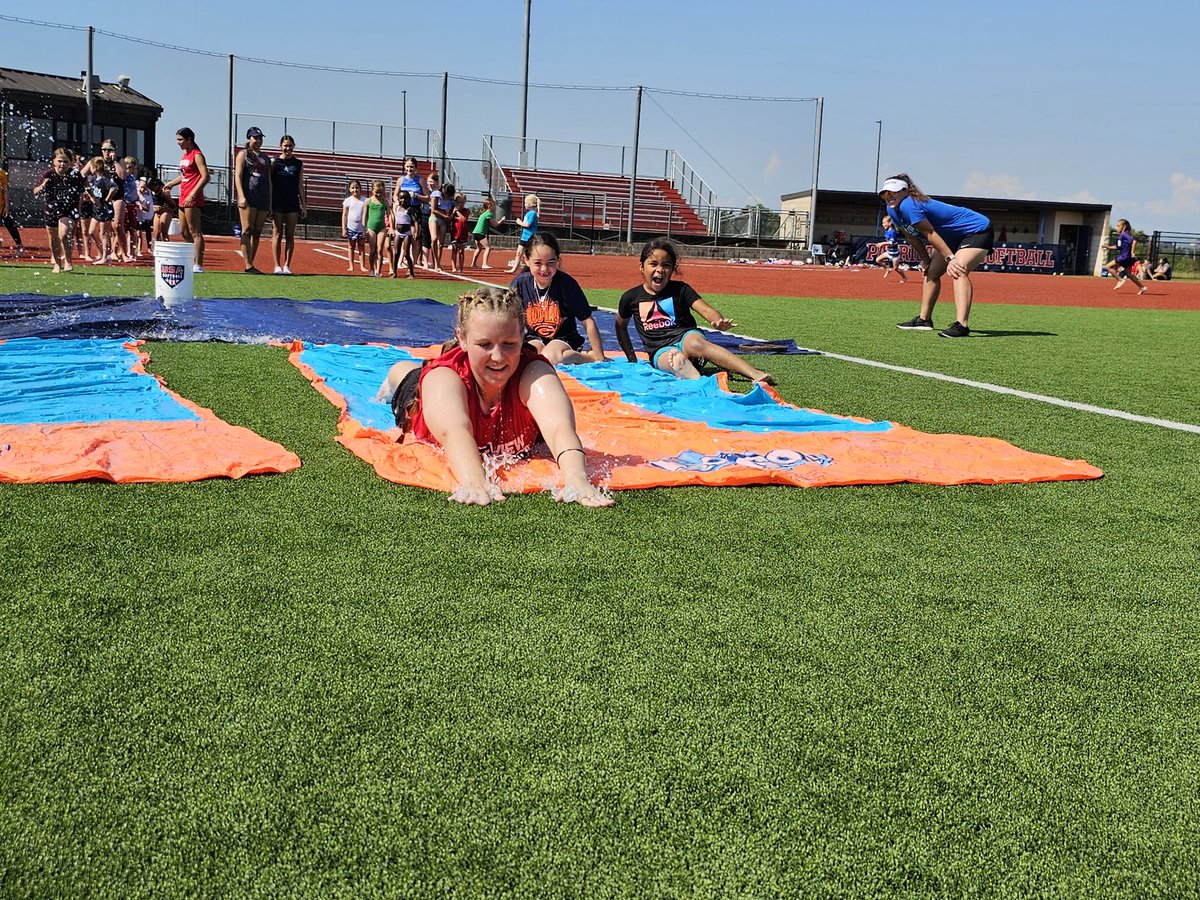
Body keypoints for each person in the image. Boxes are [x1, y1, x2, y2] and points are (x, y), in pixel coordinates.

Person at [375, 286, 613, 508]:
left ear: (523, 337)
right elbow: (454, 431)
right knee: (408, 375)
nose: (498, 356)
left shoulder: (534, 373)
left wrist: (577, 480)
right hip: (417, 394)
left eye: (509, 344)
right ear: (462, 339)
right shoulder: (443, 379)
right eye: (485, 344)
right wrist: (474, 480)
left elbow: (559, 428)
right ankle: (395, 374)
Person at [615, 236, 774, 384]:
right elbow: (620, 326)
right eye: (653, 264)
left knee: (697, 344)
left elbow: (706, 310)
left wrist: (717, 320)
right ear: (642, 267)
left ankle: (755, 374)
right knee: (672, 360)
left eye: (666, 265)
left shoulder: (681, 289)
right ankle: (696, 380)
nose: (660, 269)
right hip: (660, 349)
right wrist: (631, 357)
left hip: (686, 337)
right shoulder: (630, 297)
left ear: (673, 269)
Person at [880, 173, 994, 338]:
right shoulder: (892, 210)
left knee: (958, 270)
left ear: (906, 191)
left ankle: (962, 325)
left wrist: (951, 259)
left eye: (894, 191)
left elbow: (929, 232)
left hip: (976, 230)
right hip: (950, 238)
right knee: (931, 272)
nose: (889, 196)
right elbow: (911, 237)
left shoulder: (908, 205)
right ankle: (924, 320)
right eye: (885, 193)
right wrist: (926, 261)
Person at [511, 231, 605, 365]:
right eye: (538, 263)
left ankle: (588, 357)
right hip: (534, 338)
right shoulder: (520, 284)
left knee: (549, 358)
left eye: (550, 263)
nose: (544, 269)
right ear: (526, 260)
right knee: (526, 357)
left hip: (563, 339)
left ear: (558, 260)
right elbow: (508, 318)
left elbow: (587, 321)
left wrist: (599, 357)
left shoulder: (567, 285)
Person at [161, 127, 210, 273]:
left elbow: (205, 176)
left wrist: (193, 193)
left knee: (195, 231)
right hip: (183, 196)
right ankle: (191, 259)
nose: (178, 143)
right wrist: (171, 183)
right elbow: (184, 176)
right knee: (184, 231)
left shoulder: (197, 155)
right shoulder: (185, 156)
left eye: (180, 140)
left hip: (192, 198)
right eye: (177, 140)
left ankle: (198, 264)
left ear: (189, 139)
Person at [31, 148, 86, 273]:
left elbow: (83, 189)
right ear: (54, 162)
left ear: (71, 162)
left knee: (64, 234)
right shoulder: (49, 175)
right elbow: (35, 191)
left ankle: (68, 260)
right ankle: (57, 263)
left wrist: (82, 205)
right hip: (51, 210)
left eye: (66, 162)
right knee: (54, 238)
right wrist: (42, 187)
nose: (63, 164)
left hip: (68, 210)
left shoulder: (75, 175)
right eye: (60, 161)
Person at [233, 126, 272, 273]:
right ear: (249, 138)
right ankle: (247, 263)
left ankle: (251, 263)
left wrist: (269, 202)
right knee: (247, 229)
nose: (258, 140)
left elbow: (268, 180)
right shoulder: (243, 154)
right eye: (255, 137)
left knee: (257, 231)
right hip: (248, 197)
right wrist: (241, 196)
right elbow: (237, 176)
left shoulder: (266, 158)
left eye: (260, 137)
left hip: (262, 197)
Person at [270, 134, 305, 275]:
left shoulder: (298, 164)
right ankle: (277, 265)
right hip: (278, 202)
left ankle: (287, 265)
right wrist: (269, 204)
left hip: (292, 203)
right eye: (285, 145)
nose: (288, 148)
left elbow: (300, 185)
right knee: (277, 234)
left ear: (294, 146)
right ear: (280, 146)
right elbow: (270, 183)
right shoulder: (274, 162)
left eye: (290, 145)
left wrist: (304, 205)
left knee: (290, 235)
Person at [86, 155, 120, 264]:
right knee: (91, 232)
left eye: (91, 166)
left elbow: (114, 187)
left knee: (104, 233)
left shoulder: (104, 179)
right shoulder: (94, 179)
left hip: (104, 208)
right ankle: (102, 252)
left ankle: (105, 256)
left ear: (95, 167)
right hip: (96, 208)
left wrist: (107, 198)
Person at [1103, 219, 1149, 294]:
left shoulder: (1124, 234)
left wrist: (1133, 252)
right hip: (1128, 258)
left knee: (1108, 267)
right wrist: (1108, 247)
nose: (1116, 228)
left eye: (1118, 226)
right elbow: (1118, 247)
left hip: (1124, 257)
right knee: (1129, 274)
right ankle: (1142, 287)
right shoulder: (1122, 236)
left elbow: (1134, 241)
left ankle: (1120, 280)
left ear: (1124, 227)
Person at [506, 194, 539, 273]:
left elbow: (528, 225)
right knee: (519, 253)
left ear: (530, 204)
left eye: (526, 203)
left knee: (530, 254)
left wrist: (519, 222)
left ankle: (531, 268)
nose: (524, 205)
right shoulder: (529, 213)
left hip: (530, 237)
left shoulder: (533, 213)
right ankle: (514, 269)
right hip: (524, 237)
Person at [363, 179, 390, 277]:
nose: (379, 194)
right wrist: (364, 228)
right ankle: (372, 269)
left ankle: (378, 270)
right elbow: (364, 216)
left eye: (381, 192)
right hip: (371, 227)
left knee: (379, 249)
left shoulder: (384, 201)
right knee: (372, 250)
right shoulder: (368, 201)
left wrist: (390, 226)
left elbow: (389, 214)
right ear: (372, 190)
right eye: (376, 192)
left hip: (382, 227)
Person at [470, 196, 506, 269]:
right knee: (488, 248)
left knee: (479, 248)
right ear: (489, 206)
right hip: (480, 233)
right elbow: (494, 225)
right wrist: (501, 221)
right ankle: (484, 264)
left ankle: (473, 263)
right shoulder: (489, 213)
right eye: (493, 205)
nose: (495, 207)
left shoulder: (484, 213)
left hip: (475, 232)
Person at [341, 179, 368, 272]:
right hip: (351, 227)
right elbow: (344, 215)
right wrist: (344, 228)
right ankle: (351, 265)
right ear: (349, 189)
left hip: (361, 227)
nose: (355, 190)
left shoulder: (365, 200)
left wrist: (365, 228)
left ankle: (362, 266)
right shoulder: (347, 201)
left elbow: (366, 214)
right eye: (352, 188)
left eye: (357, 188)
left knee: (361, 246)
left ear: (360, 188)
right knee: (351, 246)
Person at [1, 158, 26, 256]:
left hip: (1, 205)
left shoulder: (2, 174)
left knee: (9, 224)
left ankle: (19, 245)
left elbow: (5, 190)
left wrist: (7, 205)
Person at [390, 189, 416, 279]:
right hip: (398, 232)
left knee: (406, 253)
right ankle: (394, 272)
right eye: (401, 198)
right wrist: (392, 228)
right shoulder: (397, 208)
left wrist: (415, 231)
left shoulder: (409, 209)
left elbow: (415, 221)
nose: (403, 200)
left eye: (405, 198)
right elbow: (393, 218)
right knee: (396, 252)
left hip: (407, 233)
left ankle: (411, 273)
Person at [874, 214, 909, 283]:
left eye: (884, 223)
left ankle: (904, 277)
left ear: (890, 223)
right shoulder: (886, 231)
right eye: (882, 223)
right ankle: (887, 269)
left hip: (895, 254)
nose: (883, 224)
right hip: (888, 252)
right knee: (878, 260)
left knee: (896, 268)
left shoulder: (892, 232)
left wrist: (882, 244)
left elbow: (891, 243)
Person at [450, 192, 470, 273]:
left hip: (463, 234)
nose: (460, 204)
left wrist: (457, 212)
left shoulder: (466, 211)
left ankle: (461, 268)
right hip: (455, 233)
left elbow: (464, 219)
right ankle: (453, 267)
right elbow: (450, 218)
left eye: (462, 202)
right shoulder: (452, 210)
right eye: (458, 202)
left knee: (461, 251)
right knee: (454, 250)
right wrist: (453, 212)